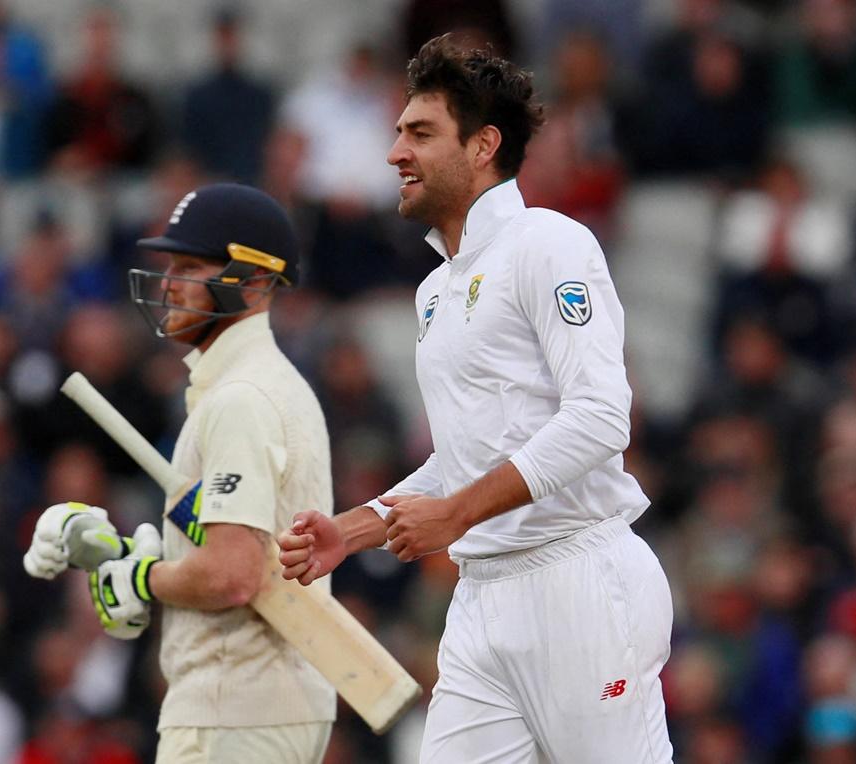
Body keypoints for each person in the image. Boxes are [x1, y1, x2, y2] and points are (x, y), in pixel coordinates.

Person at [277, 35, 675, 763]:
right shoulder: (435, 292)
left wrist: (456, 514)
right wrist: (356, 530)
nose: (395, 152)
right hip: (482, 595)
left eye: (420, 133)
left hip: (577, 580)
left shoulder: (549, 244)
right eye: (398, 132)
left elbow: (600, 417)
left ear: (484, 144)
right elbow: (462, 462)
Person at [23, 183, 335, 763]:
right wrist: (118, 552)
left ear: (254, 281)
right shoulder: (245, 389)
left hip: (236, 710)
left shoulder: (243, 398)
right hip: (249, 706)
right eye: (170, 265)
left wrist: (140, 578)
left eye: (190, 266)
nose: (168, 283)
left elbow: (232, 574)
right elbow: (233, 552)